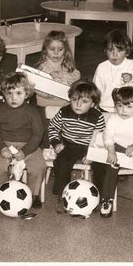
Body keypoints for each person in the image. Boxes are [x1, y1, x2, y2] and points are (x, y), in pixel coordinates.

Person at [0, 72, 47, 209]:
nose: (13, 97)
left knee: (39, 165)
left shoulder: (32, 111)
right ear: (4, 94)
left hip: (28, 145)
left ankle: (32, 194)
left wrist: (25, 151)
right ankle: (4, 192)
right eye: (9, 93)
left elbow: (38, 134)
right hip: (4, 143)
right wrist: (1, 147)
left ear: (26, 93)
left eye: (18, 93)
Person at [92, 86, 133, 218]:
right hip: (117, 147)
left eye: (128, 107)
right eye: (119, 106)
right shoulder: (113, 119)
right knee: (111, 166)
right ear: (115, 106)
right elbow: (107, 136)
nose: (123, 110)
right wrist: (111, 149)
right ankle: (106, 199)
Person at [48, 79, 105, 213]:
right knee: (61, 162)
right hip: (69, 144)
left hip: (90, 146)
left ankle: (98, 197)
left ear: (93, 104)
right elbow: (53, 128)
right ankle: (62, 196)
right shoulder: (64, 112)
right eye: (74, 100)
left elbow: (100, 138)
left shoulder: (97, 116)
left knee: (101, 166)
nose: (78, 105)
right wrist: (56, 143)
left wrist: (92, 154)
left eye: (84, 102)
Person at [93, 29, 133, 113]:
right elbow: (96, 88)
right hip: (104, 108)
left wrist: (132, 77)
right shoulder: (102, 67)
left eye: (119, 50)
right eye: (110, 50)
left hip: (125, 109)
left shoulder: (132, 64)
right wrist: (95, 104)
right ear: (105, 51)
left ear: (127, 51)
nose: (115, 54)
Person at [34, 30, 81, 108]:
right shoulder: (42, 67)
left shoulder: (67, 64)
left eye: (60, 49)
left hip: (65, 104)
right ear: (45, 50)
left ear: (65, 50)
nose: (56, 53)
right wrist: (48, 94)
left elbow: (77, 76)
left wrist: (63, 75)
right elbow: (37, 87)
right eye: (52, 49)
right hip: (46, 104)